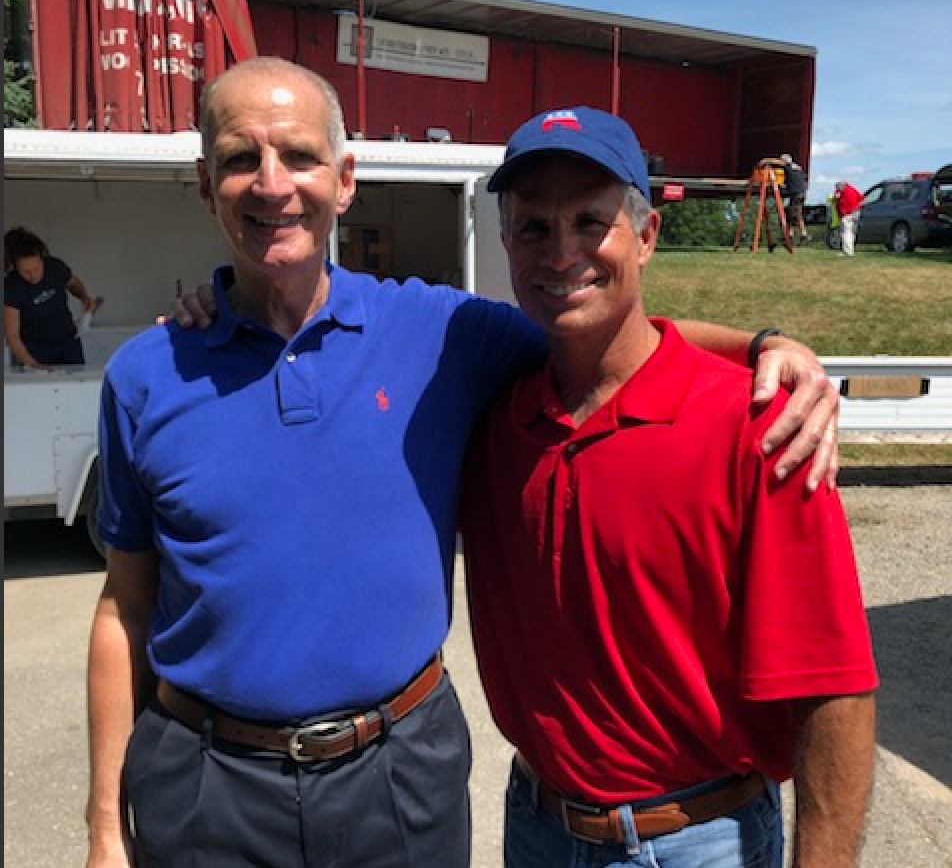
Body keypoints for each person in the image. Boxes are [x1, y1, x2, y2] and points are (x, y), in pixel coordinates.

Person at [86, 57, 840, 868]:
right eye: (242, 159)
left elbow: (601, 322)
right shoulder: (148, 375)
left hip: (397, 770)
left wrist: (765, 345)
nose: (273, 185)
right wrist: (103, 830)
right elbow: (125, 609)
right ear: (207, 186)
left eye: (299, 155)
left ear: (344, 180)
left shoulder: (438, 333)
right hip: (208, 782)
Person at [459, 107, 878, 868]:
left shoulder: (759, 426)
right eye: (534, 227)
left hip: (698, 840)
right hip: (537, 824)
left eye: (591, 222)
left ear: (647, 236)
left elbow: (833, 686)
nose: (562, 252)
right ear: (506, 242)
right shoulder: (493, 417)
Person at [4, 226, 102, 369]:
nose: (33, 275)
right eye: (26, 272)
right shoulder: (11, 286)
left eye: (36, 269)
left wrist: (84, 297)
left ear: (42, 260)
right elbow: (12, 335)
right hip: (35, 348)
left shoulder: (55, 267)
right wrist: (32, 364)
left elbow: (74, 283)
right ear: (15, 267)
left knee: (76, 378)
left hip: (68, 341)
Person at [780, 153, 810, 245]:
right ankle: (790, 234)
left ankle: (804, 234)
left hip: (795, 195)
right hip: (801, 193)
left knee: (796, 214)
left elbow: (780, 164)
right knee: (792, 213)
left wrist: (766, 161)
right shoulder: (798, 168)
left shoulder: (787, 168)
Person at [833, 181, 864, 256]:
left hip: (847, 213)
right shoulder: (853, 188)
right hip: (856, 212)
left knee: (846, 232)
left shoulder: (840, 190)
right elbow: (862, 198)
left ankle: (847, 251)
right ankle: (851, 250)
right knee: (852, 232)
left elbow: (836, 198)